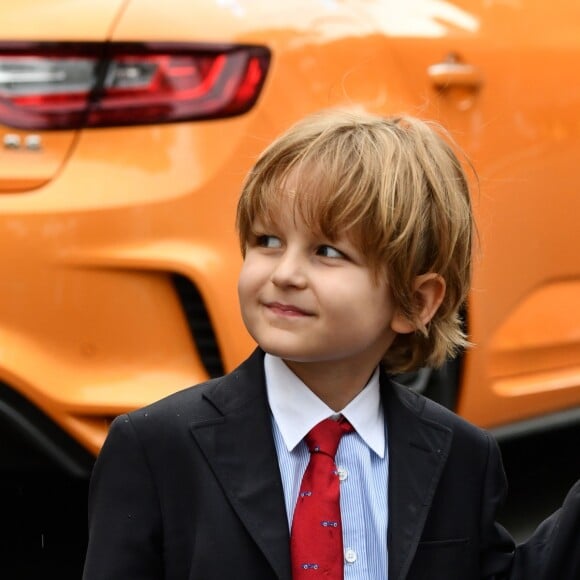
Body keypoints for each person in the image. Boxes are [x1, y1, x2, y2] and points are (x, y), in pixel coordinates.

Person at [82, 109, 580, 579]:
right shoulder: (157, 447)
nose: (285, 273)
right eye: (267, 240)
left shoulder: (460, 456)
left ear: (415, 302)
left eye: (327, 251)